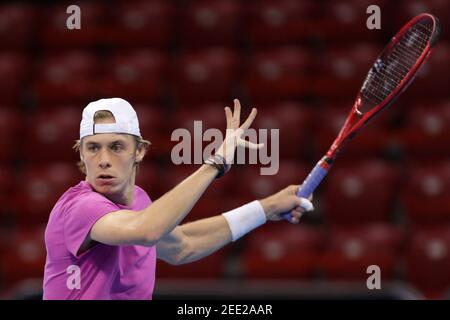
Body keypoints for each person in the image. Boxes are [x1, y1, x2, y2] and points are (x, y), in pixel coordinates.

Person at [42, 97, 314, 300]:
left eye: (116, 147)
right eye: (93, 148)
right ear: (80, 154)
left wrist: (266, 208)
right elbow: (147, 231)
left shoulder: (140, 204)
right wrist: (216, 162)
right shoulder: (79, 207)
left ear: (139, 152)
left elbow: (183, 245)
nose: (103, 160)